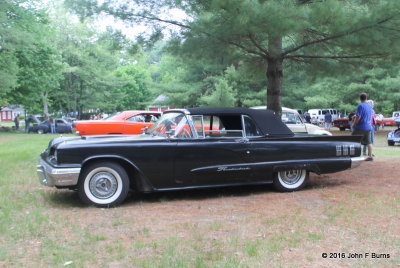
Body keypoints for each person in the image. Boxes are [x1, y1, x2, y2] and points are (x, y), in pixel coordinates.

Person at [352, 93, 373, 161]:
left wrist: (354, 123)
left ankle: (356, 155)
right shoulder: (369, 106)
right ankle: (370, 156)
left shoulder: (360, 105)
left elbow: (358, 117)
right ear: (366, 98)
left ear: (360, 98)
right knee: (369, 142)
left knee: (354, 140)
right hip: (368, 126)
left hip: (360, 126)